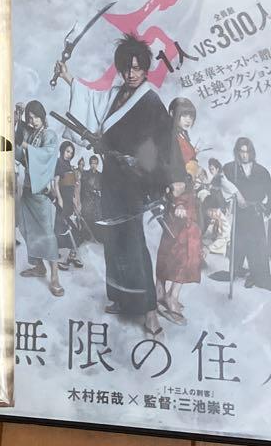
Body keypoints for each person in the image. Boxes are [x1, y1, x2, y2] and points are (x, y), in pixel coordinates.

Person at [57, 34, 181, 337]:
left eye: (137, 68)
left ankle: (150, 311)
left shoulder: (150, 100)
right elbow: (92, 101)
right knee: (113, 240)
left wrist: (175, 178)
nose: (131, 74)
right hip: (111, 177)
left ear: (145, 69)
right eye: (127, 68)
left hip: (134, 180)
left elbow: (167, 141)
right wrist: (68, 77)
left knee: (134, 241)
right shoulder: (116, 94)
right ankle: (121, 298)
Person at [222, 138, 271, 291]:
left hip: (255, 213)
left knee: (256, 245)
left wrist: (266, 210)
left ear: (252, 152)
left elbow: (268, 194)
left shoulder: (261, 171)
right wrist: (236, 196)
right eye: (241, 151)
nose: (244, 155)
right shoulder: (230, 169)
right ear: (237, 152)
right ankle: (236, 269)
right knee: (239, 242)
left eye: (247, 152)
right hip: (240, 213)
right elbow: (223, 183)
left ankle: (256, 274)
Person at [14, 100, 63, 297]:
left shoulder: (49, 135)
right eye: (30, 118)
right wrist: (18, 129)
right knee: (26, 228)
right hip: (28, 189)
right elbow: (20, 155)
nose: (32, 121)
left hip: (42, 191)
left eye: (35, 117)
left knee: (47, 234)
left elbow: (47, 155)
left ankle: (55, 276)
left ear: (42, 116)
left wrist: (26, 146)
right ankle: (39, 266)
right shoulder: (31, 134)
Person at [155, 173, 201, 324]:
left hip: (185, 212)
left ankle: (166, 294)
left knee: (180, 254)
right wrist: (179, 203)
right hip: (177, 211)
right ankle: (167, 295)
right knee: (176, 254)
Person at [55, 141, 83, 270]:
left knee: (75, 229)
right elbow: (55, 184)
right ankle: (60, 259)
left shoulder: (69, 165)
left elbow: (72, 185)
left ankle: (72, 256)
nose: (69, 154)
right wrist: (60, 199)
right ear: (62, 150)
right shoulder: (58, 163)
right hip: (62, 201)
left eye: (71, 153)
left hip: (69, 201)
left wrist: (75, 200)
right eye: (67, 151)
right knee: (64, 229)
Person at [168, 97, 200, 177]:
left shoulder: (183, 135)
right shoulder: (169, 135)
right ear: (172, 113)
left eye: (191, 116)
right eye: (184, 115)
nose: (188, 120)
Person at [81, 155, 103, 232]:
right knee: (87, 220)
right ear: (90, 164)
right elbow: (83, 186)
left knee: (97, 220)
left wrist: (99, 192)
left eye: (95, 163)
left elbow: (101, 187)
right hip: (87, 200)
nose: (94, 165)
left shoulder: (100, 175)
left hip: (97, 201)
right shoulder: (85, 174)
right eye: (92, 163)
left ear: (97, 164)